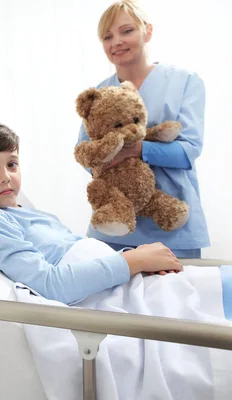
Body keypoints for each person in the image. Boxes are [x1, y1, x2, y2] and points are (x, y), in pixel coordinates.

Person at [0, 119, 183, 305]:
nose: (5, 176)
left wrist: (139, 260)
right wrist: (134, 260)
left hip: (124, 282)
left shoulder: (35, 214)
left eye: (12, 164)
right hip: (111, 295)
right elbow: (50, 284)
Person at [76, 0, 209, 258]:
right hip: (113, 226)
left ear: (147, 31)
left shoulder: (185, 81)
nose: (116, 42)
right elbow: (84, 153)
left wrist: (136, 149)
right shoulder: (100, 92)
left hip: (172, 227)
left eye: (127, 31)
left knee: (177, 297)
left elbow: (188, 150)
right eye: (107, 36)